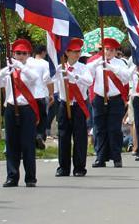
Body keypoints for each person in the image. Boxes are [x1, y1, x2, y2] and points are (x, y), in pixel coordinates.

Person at [0, 38, 39, 188]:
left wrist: (20, 67)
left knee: (27, 143)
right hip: (11, 108)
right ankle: (12, 176)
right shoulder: (9, 72)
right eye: (18, 53)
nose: (21, 56)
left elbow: (34, 79)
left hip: (26, 108)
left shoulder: (30, 69)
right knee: (11, 144)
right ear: (13, 54)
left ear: (28, 55)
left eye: (24, 53)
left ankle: (30, 177)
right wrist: (4, 71)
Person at [87, 38, 131, 168]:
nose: (108, 52)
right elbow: (88, 75)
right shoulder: (96, 62)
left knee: (114, 129)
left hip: (115, 98)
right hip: (100, 97)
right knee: (100, 129)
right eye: (106, 49)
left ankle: (116, 157)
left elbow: (126, 77)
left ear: (116, 51)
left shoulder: (120, 63)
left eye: (111, 50)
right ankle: (100, 157)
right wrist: (97, 64)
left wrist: (111, 67)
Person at [54, 38, 93, 177]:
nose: (77, 54)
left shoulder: (83, 68)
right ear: (67, 52)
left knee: (80, 137)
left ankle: (79, 168)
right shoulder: (60, 68)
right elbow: (48, 80)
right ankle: (63, 167)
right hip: (64, 104)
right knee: (63, 136)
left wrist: (73, 75)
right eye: (74, 51)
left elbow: (89, 81)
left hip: (78, 104)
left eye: (79, 51)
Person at [27, 45, 53, 149]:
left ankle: (31, 137)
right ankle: (39, 136)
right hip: (41, 94)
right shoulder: (46, 64)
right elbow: (47, 79)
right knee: (43, 118)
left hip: (29, 96)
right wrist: (51, 93)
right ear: (43, 53)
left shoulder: (28, 62)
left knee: (31, 118)